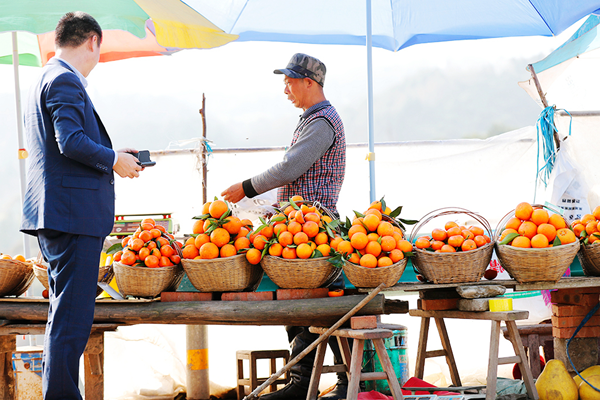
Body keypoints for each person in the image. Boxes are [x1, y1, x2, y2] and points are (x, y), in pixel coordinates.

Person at [20, 12, 142, 400]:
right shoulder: (65, 80)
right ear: (93, 41)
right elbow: (69, 141)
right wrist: (113, 160)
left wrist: (112, 152)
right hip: (73, 216)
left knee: (64, 317)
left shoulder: (45, 76)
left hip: (55, 211)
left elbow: (64, 144)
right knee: (72, 321)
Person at [221, 53, 348, 400]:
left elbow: (291, 167)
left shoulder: (322, 122)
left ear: (310, 82)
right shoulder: (311, 119)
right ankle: (303, 381)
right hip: (296, 225)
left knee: (316, 302)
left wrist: (247, 188)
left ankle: (339, 383)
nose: (285, 88)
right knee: (299, 300)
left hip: (314, 224)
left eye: (290, 81)